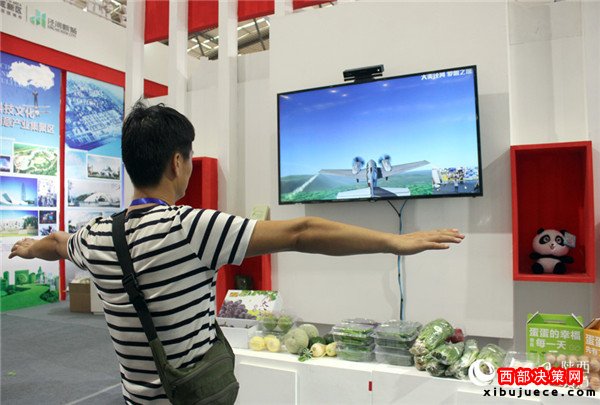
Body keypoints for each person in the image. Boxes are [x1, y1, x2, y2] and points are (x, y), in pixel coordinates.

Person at [9, 101, 464, 404]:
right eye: (189, 157)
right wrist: (395, 242)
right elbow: (302, 231)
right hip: (196, 396)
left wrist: (29, 248)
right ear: (176, 162)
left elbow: (57, 244)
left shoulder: (96, 236)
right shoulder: (190, 228)